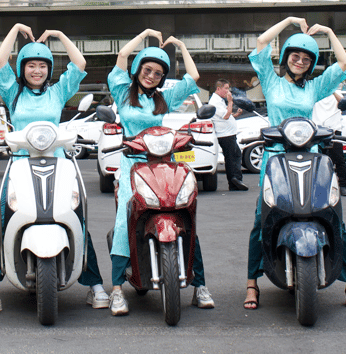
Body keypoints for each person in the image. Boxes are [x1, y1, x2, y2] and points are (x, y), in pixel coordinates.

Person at [244, 17, 346, 310]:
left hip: (311, 157)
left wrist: (331, 32)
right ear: (285, 58)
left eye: (307, 59)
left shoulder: (314, 88)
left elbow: (344, 62)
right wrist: (287, 22)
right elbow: (260, 44)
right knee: (262, 219)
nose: (300, 61)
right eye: (295, 56)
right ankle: (251, 284)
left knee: (332, 216)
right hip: (275, 158)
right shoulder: (270, 81)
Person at [0, 23, 109, 310]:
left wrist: (59, 36)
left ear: (49, 68)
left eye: (42, 66)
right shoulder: (12, 91)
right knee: (3, 214)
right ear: (22, 68)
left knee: (76, 216)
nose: (37, 71)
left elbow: (80, 63)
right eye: (31, 65)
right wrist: (14, 30)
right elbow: (0, 61)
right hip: (21, 166)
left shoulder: (58, 93)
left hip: (59, 165)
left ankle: (94, 283)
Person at [106, 29, 215, 315]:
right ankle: (117, 290)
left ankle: (200, 285)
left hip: (162, 164)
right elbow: (120, 56)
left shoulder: (165, 97)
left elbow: (194, 77)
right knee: (124, 219)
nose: (151, 76)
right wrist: (143, 35)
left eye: (157, 73)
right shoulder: (121, 90)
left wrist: (180, 45)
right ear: (138, 70)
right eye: (147, 69)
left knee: (183, 214)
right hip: (132, 165)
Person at [210, 79, 248, 191]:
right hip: (225, 135)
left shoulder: (219, 100)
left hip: (229, 133)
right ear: (218, 88)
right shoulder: (215, 101)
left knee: (235, 155)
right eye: (226, 88)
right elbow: (225, 116)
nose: (228, 91)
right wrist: (230, 101)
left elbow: (226, 114)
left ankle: (236, 180)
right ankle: (234, 181)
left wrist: (235, 114)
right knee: (232, 157)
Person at [312, 89, 346, 196]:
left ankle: (342, 185)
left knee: (339, 159)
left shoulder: (336, 93)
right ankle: (317, 186)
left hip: (334, 130)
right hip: (317, 130)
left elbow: (343, 103)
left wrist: (332, 90)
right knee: (317, 159)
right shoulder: (316, 91)